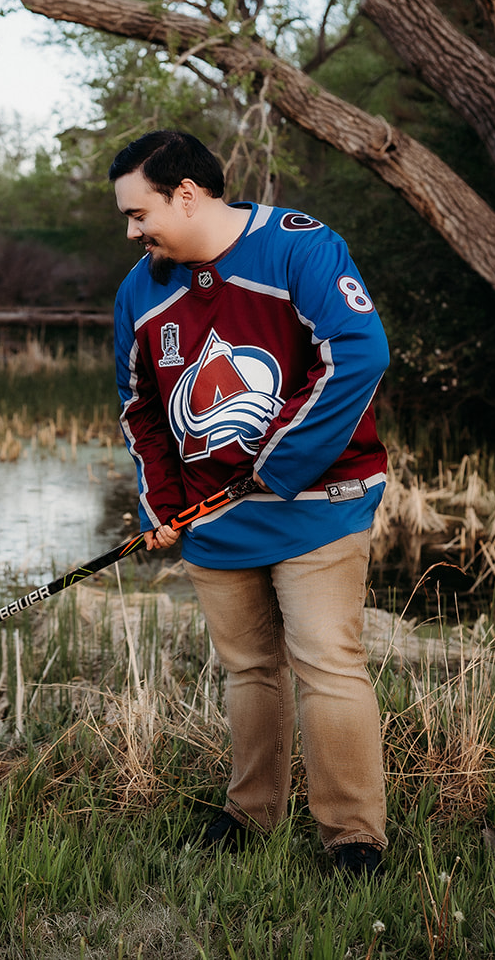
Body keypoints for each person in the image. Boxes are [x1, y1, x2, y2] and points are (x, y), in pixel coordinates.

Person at [109, 130, 390, 875]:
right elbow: (138, 407)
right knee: (247, 669)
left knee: (328, 660)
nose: (133, 232)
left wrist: (281, 465)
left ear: (188, 194)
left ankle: (353, 839)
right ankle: (250, 811)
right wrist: (159, 504)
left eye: (140, 214)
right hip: (209, 516)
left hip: (317, 502)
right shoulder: (139, 290)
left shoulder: (301, 246)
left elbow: (359, 352)